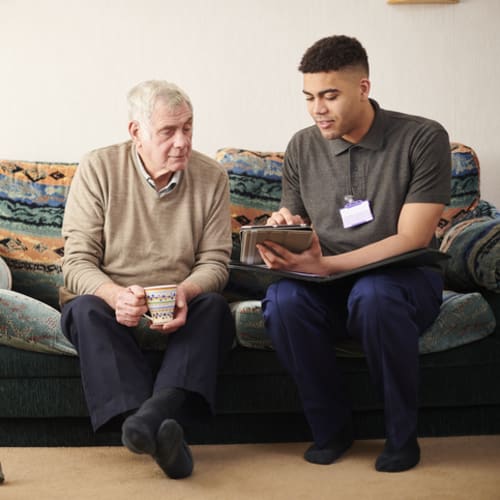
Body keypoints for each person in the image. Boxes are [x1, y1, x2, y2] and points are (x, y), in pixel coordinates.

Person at [257, 35, 451, 472]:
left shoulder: (422, 137)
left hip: (402, 279)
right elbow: (302, 225)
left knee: (374, 295)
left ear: (363, 88)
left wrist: (326, 265)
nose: (316, 109)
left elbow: (413, 238)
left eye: (329, 95)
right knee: (283, 302)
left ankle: (402, 437)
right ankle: (332, 429)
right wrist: (284, 230)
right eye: (308, 97)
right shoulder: (302, 146)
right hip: (327, 281)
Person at [60, 80, 235, 479]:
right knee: (83, 309)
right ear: (136, 132)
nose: (182, 142)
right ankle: (159, 425)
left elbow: (216, 263)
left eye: (188, 128)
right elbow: (75, 262)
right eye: (168, 131)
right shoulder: (98, 167)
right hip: (109, 304)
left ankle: (145, 421)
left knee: (214, 307)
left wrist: (186, 291)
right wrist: (114, 294)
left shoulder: (211, 176)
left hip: (180, 305)